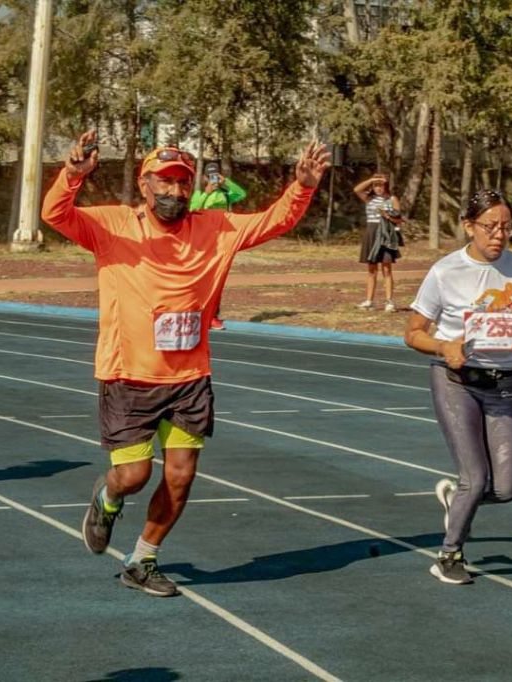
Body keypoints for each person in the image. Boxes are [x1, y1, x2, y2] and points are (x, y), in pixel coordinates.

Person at [42, 131, 329, 597]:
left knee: (180, 476)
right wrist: (72, 175)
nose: (174, 191)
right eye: (165, 181)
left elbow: (275, 221)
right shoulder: (113, 226)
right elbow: (55, 215)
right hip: (129, 375)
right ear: (144, 184)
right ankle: (108, 496)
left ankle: (142, 559)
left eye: (182, 182)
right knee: (134, 476)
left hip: (189, 378)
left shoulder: (216, 228)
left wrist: (303, 186)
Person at [403, 189, 512, 585]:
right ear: (469, 226)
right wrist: (444, 347)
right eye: (490, 227)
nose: (499, 235)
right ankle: (449, 554)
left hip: (502, 384)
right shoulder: (445, 271)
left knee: (508, 488)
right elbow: (413, 333)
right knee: (475, 477)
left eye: (507, 227)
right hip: (456, 382)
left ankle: (457, 499)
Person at [189, 161, 248, 330]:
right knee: (201, 279)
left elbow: (241, 194)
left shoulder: (226, 193)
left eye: (215, 175)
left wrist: (226, 183)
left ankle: (213, 316)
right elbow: (193, 209)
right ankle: (197, 313)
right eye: (210, 176)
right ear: (204, 178)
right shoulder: (200, 193)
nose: (212, 179)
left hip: (222, 239)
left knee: (218, 279)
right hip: (203, 241)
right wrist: (206, 193)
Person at [353, 173, 403, 312]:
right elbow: (357, 189)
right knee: (371, 269)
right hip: (371, 233)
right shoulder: (369, 198)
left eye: (381, 185)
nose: (378, 188)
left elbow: (399, 219)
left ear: (386, 186)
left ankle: (389, 302)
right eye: (376, 185)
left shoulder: (392, 199)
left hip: (386, 235)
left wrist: (387, 216)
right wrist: (371, 180)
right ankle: (369, 301)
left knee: (386, 269)